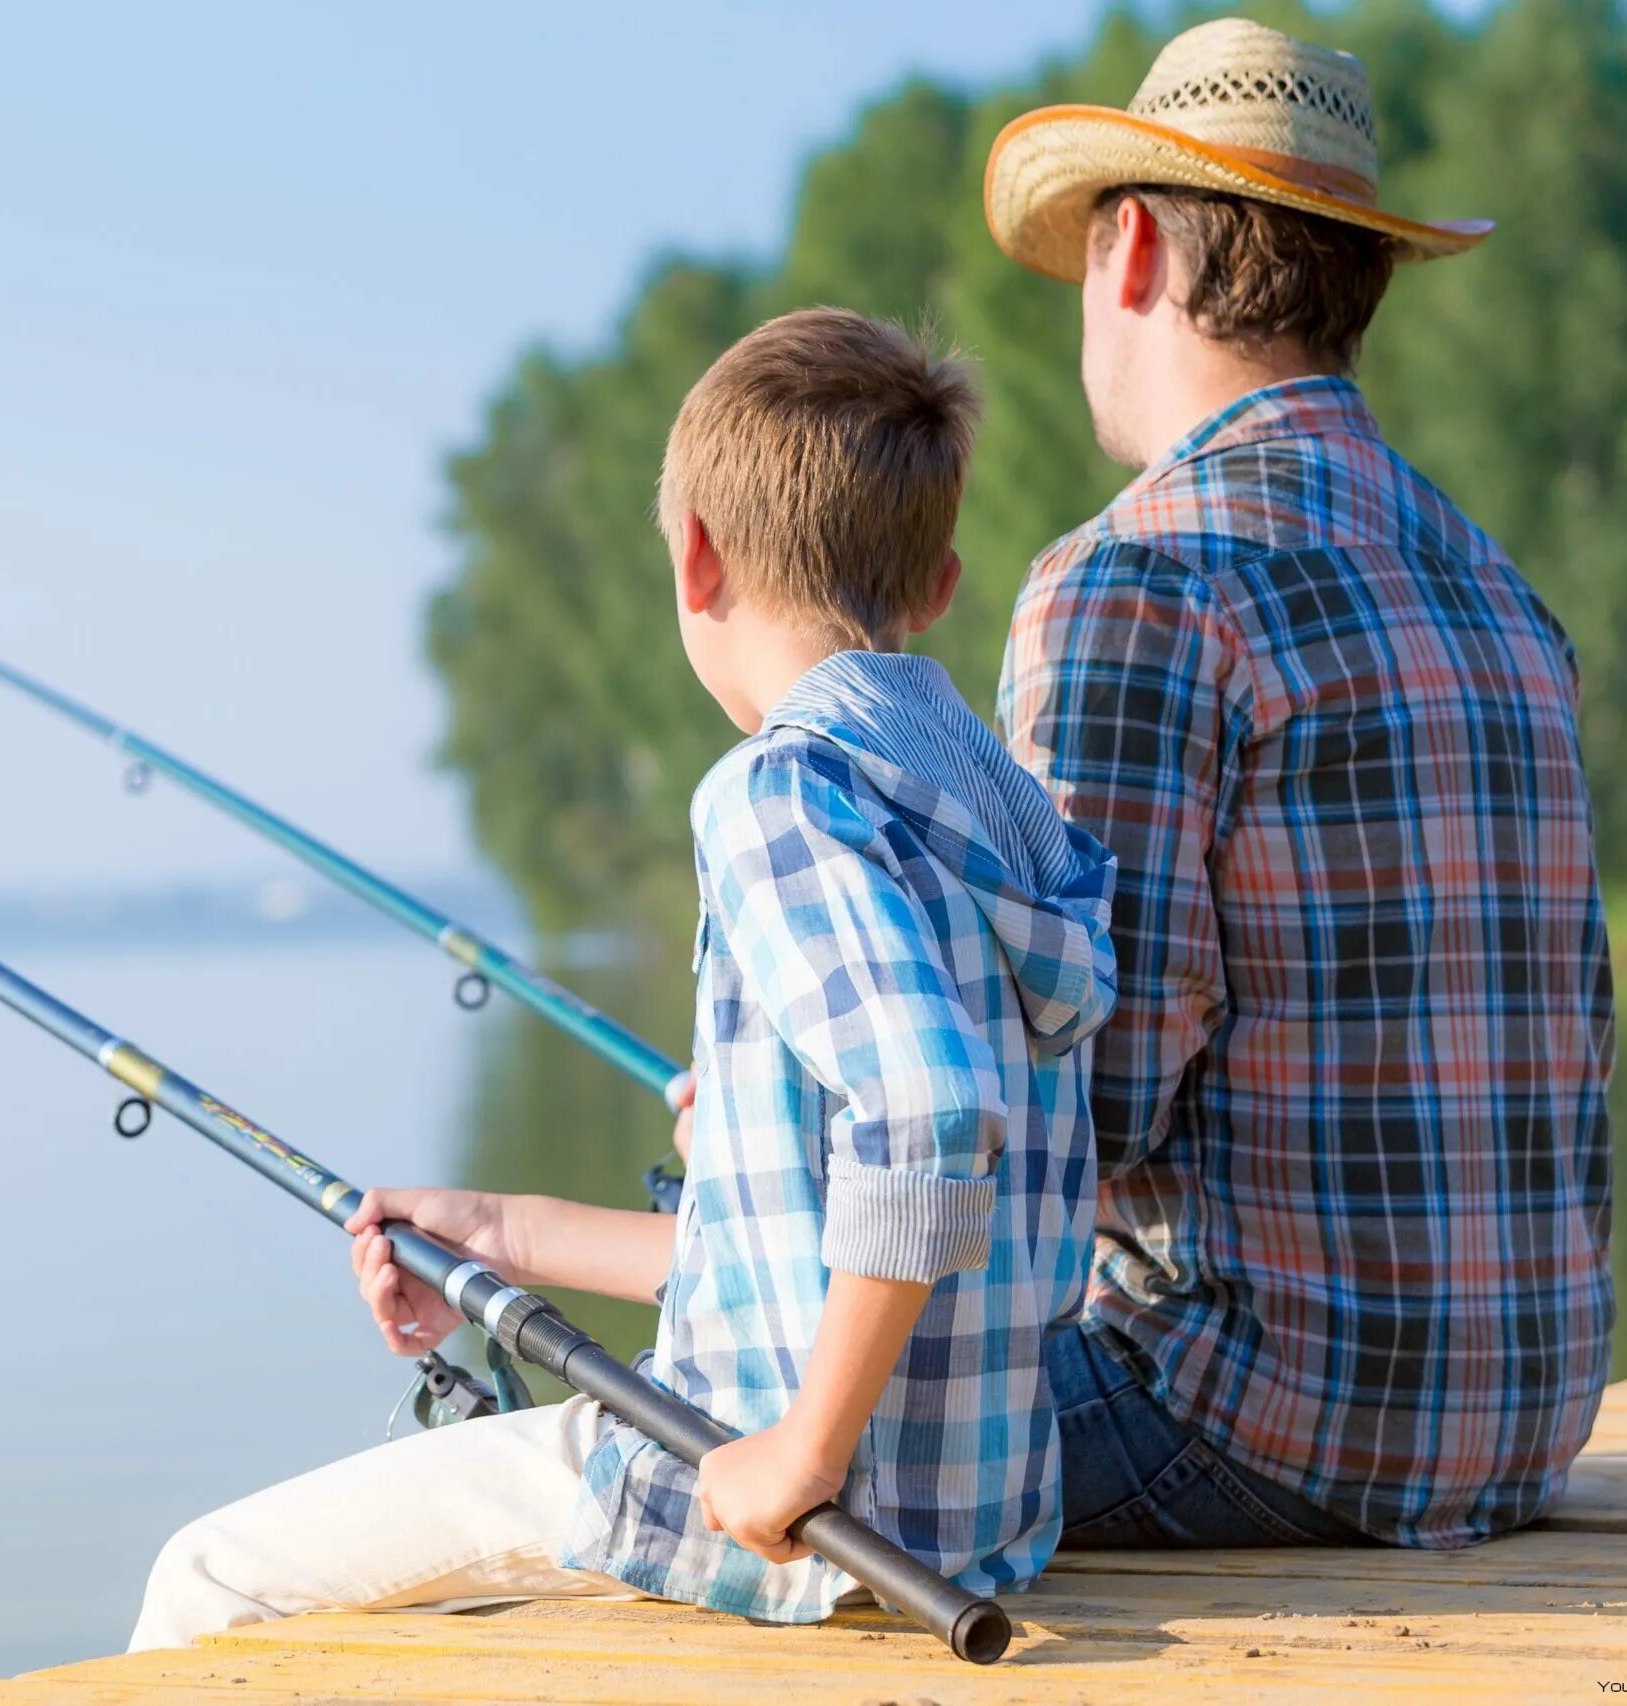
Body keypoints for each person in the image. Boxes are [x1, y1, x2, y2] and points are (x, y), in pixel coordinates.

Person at [127, 307, 1117, 1649]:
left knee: (209, 1575)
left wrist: (804, 1450)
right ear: (938, 586)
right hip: (983, 1516)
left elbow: (933, 1114)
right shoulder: (1002, 812)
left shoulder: (785, 794)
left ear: (696, 557)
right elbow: (884, 1214)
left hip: (808, 1522)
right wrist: (508, 1233)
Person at [984, 17, 1615, 1550]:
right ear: (1364, 276)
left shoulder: (1137, 579)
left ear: (1129, 247)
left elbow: (1093, 1096)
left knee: (692, 1425)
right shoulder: (1495, 587)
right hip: (1525, 1420)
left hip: (1244, 1414)